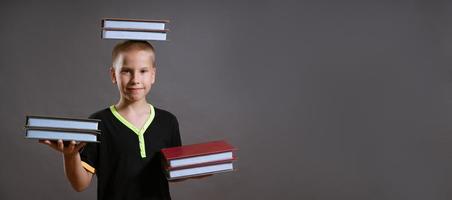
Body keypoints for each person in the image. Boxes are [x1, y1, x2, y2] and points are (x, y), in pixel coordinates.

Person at [40, 40, 191, 200]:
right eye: (126, 71)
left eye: (143, 71)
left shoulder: (168, 122)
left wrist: (197, 169)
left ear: (153, 75)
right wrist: (70, 156)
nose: (135, 79)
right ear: (113, 75)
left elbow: (174, 173)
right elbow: (80, 184)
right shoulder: (99, 123)